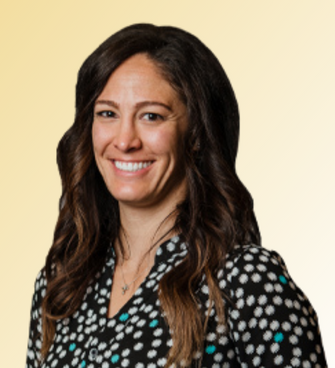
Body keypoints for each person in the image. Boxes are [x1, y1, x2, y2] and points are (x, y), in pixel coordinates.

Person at [25, 23, 327, 368]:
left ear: (195, 134)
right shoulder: (61, 283)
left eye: (151, 116)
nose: (125, 140)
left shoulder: (247, 281)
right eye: (107, 114)